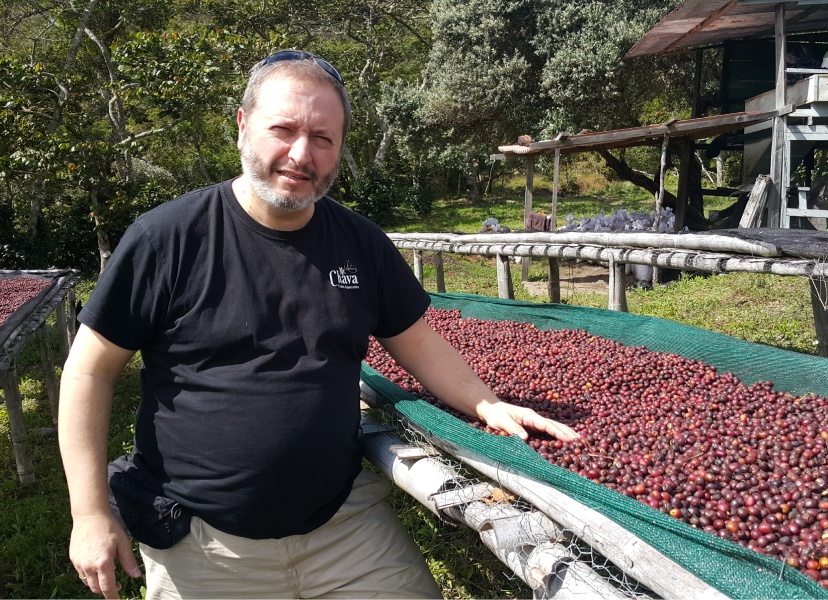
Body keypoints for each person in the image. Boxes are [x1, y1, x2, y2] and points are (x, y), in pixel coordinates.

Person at [58, 49, 578, 600]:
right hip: (205, 541)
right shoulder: (167, 239)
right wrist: (89, 511)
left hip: (343, 525)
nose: (301, 154)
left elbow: (419, 341)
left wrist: (487, 403)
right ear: (242, 123)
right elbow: (88, 372)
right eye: (283, 129)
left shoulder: (362, 243)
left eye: (323, 138)